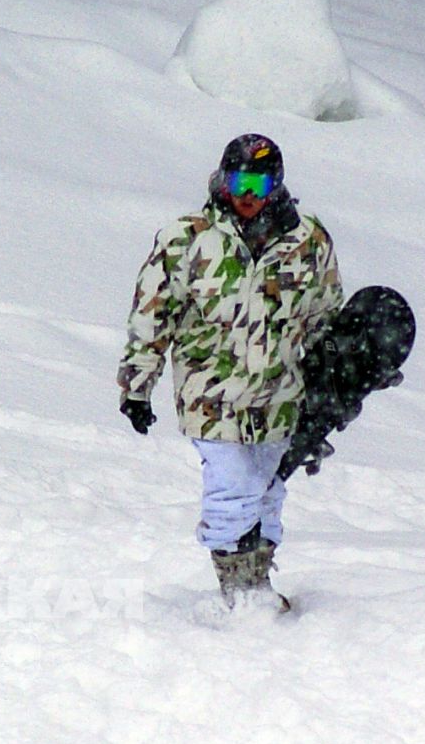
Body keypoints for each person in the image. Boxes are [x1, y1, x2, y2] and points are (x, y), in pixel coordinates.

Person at [118, 133, 344, 611]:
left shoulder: (309, 242)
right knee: (232, 488)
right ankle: (238, 589)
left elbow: (325, 316)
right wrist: (138, 385)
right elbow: (153, 313)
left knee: (267, 489)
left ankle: (257, 580)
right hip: (211, 392)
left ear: (277, 185)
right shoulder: (188, 239)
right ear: (223, 178)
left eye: (260, 183)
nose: (248, 194)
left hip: (280, 393)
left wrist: (333, 382)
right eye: (240, 180)